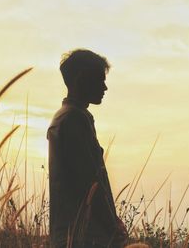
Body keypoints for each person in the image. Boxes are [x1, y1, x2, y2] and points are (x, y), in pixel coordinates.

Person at [47, 49, 128, 248]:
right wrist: (111, 226)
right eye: (99, 80)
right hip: (84, 238)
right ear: (81, 79)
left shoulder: (71, 117)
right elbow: (88, 182)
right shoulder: (73, 119)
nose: (105, 87)